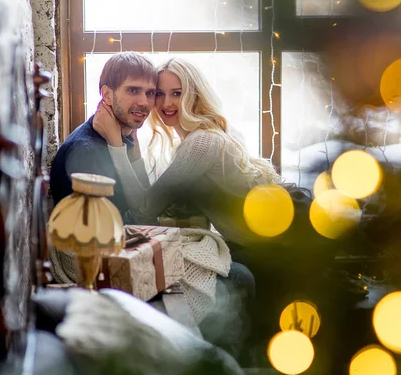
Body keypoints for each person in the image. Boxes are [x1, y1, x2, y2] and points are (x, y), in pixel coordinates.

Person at [94, 58, 339, 353]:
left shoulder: (202, 143)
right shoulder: (196, 138)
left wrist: (115, 142)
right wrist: (131, 139)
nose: (166, 102)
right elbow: (158, 196)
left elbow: (145, 205)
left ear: (194, 95)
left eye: (177, 93)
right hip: (268, 235)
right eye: (160, 93)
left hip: (289, 237)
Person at [50, 52, 158, 217]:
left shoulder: (125, 139)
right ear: (107, 94)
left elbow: (147, 206)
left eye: (150, 93)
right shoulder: (88, 152)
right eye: (133, 90)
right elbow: (143, 218)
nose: (144, 102)